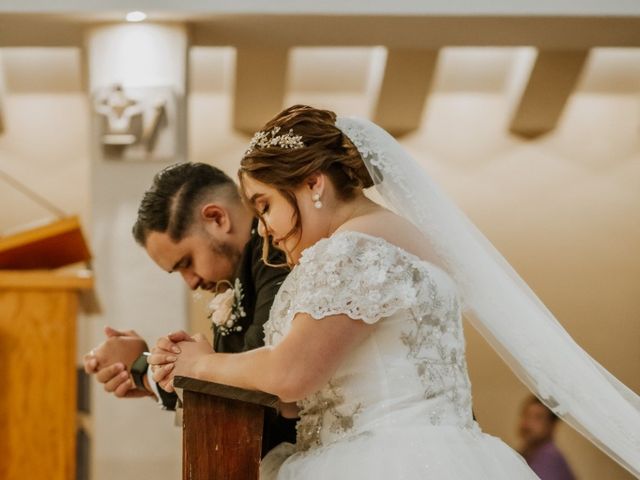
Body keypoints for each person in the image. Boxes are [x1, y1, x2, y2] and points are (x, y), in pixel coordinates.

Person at [149, 105, 543, 478]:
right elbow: (292, 400)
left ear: (313, 184)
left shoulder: (351, 250)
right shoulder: (396, 237)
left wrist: (199, 363)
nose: (264, 230)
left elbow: (291, 374)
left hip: (382, 460)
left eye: (265, 206)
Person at [83, 162, 296, 455]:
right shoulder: (246, 265)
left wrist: (149, 369)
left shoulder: (275, 253)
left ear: (216, 218)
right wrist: (147, 369)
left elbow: (255, 386)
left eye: (186, 262)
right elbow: (231, 372)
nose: (192, 282)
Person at [519, 396, 576, 480]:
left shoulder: (549, 458)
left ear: (551, 425)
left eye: (538, 418)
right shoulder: (528, 452)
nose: (528, 423)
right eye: (526, 415)